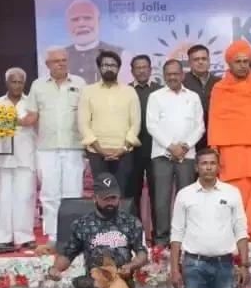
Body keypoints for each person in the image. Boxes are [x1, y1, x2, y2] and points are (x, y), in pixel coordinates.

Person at [168, 149, 249, 288]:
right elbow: (176, 233)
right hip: (194, 265)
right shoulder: (185, 195)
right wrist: (174, 268)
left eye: (212, 163)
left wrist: (244, 264)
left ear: (219, 166)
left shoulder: (232, 193)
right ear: (196, 167)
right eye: (204, 163)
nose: (208, 167)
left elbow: (241, 229)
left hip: (224, 265)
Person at [207, 40, 251, 241]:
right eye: (237, 61)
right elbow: (215, 121)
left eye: (245, 61)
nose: (242, 65)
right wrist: (215, 150)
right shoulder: (220, 89)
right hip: (231, 153)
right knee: (234, 194)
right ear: (229, 64)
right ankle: (232, 241)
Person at [26, 47, 86, 247]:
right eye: (56, 61)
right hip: (47, 148)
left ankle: (73, 237)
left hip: (74, 147)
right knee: (49, 194)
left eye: (64, 60)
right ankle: (52, 237)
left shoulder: (80, 83)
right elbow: (32, 116)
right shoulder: (38, 85)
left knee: (73, 194)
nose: (61, 64)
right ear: (47, 64)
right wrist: (5, 121)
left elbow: (88, 114)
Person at [145, 59, 204, 245]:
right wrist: (171, 146)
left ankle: (186, 240)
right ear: (163, 76)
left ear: (182, 75)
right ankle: (161, 242)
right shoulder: (155, 96)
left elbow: (200, 127)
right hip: (162, 155)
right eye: (168, 74)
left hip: (187, 156)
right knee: (161, 200)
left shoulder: (193, 97)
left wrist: (185, 147)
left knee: (187, 199)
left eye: (176, 73)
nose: (172, 77)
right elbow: (152, 125)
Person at [80, 49, 141, 200]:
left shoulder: (129, 91)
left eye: (113, 65)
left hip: (124, 153)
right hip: (97, 153)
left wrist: (123, 149)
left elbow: (135, 123)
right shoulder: (88, 91)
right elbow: (83, 123)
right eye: (105, 65)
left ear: (119, 68)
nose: (109, 68)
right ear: (99, 67)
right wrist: (100, 150)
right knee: (102, 196)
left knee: (122, 195)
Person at [0, 68, 38, 250]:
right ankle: (2, 237)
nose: (17, 86)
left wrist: (10, 120)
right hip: (2, 158)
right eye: (14, 82)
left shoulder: (31, 102)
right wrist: (19, 121)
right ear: (7, 83)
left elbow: (34, 123)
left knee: (24, 198)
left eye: (20, 82)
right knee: (2, 198)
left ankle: (24, 236)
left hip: (25, 156)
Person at [63, 0, 124, 83]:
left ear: (99, 21)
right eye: (75, 19)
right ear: (67, 24)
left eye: (87, 18)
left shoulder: (120, 54)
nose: (81, 24)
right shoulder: (58, 57)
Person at [128, 54, 161, 210]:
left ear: (150, 69)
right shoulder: (125, 91)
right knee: (132, 192)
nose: (141, 71)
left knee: (157, 193)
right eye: (138, 68)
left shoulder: (160, 90)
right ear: (132, 71)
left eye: (144, 67)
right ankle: (135, 225)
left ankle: (158, 226)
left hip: (156, 149)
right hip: (132, 150)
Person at [183, 43, 219, 153]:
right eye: (196, 59)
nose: (200, 62)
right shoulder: (182, 82)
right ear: (189, 62)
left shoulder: (219, 82)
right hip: (189, 139)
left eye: (204, 58)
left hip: (214, 136)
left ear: (209, 60)